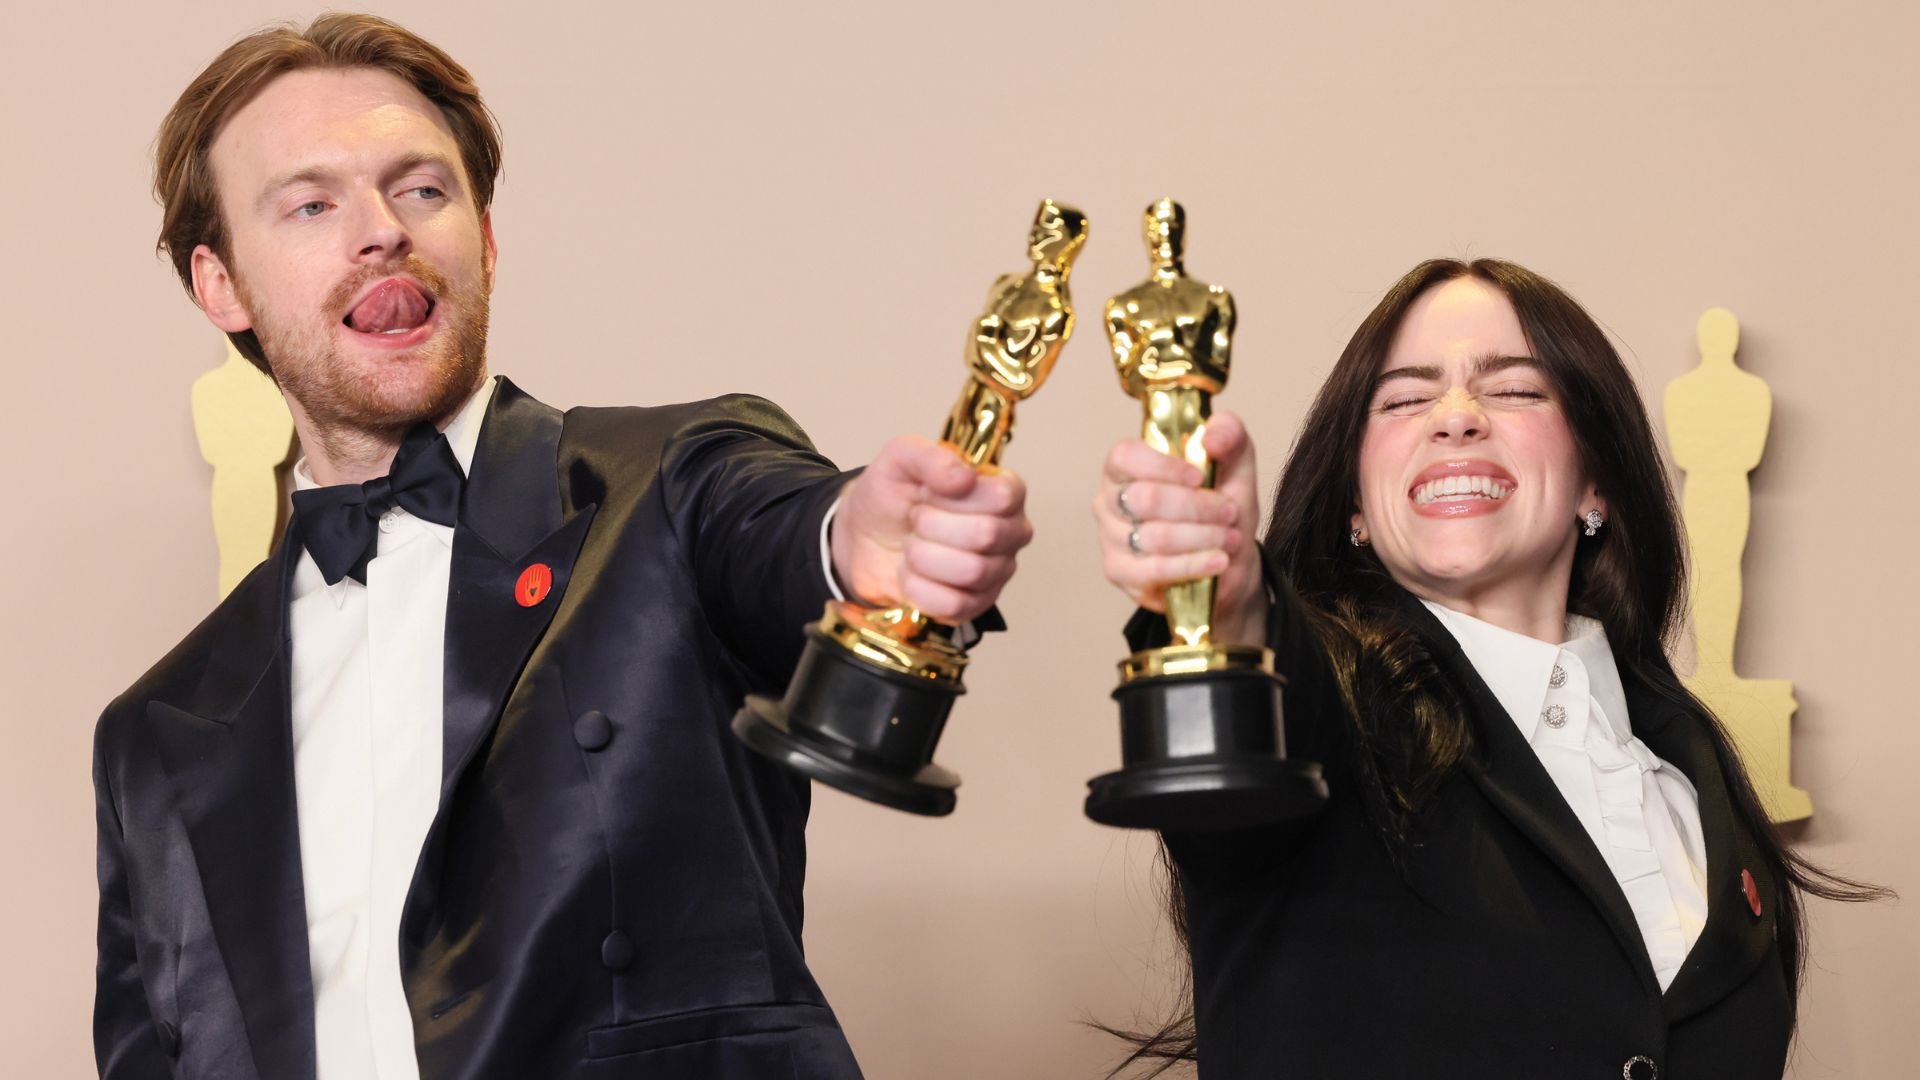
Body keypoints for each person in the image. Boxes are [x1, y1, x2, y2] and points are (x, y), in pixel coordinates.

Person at [94, 14, 1032, 1079]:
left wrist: (852, 542)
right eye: (312, 203)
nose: (381, 230)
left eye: (422, 189)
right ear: (220, 285)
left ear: (485, 240)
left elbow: (782, 531)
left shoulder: (666, 484)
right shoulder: (152, 734)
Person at [1092, 258, 1884, 1078]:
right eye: (1404, 398)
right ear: (1355, 505)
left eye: (1514, 389)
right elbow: (1259, 685)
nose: (1456, 417)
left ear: (1596, 481)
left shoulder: (1698, 776)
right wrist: (1222, 592)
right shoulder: (1327, 717)